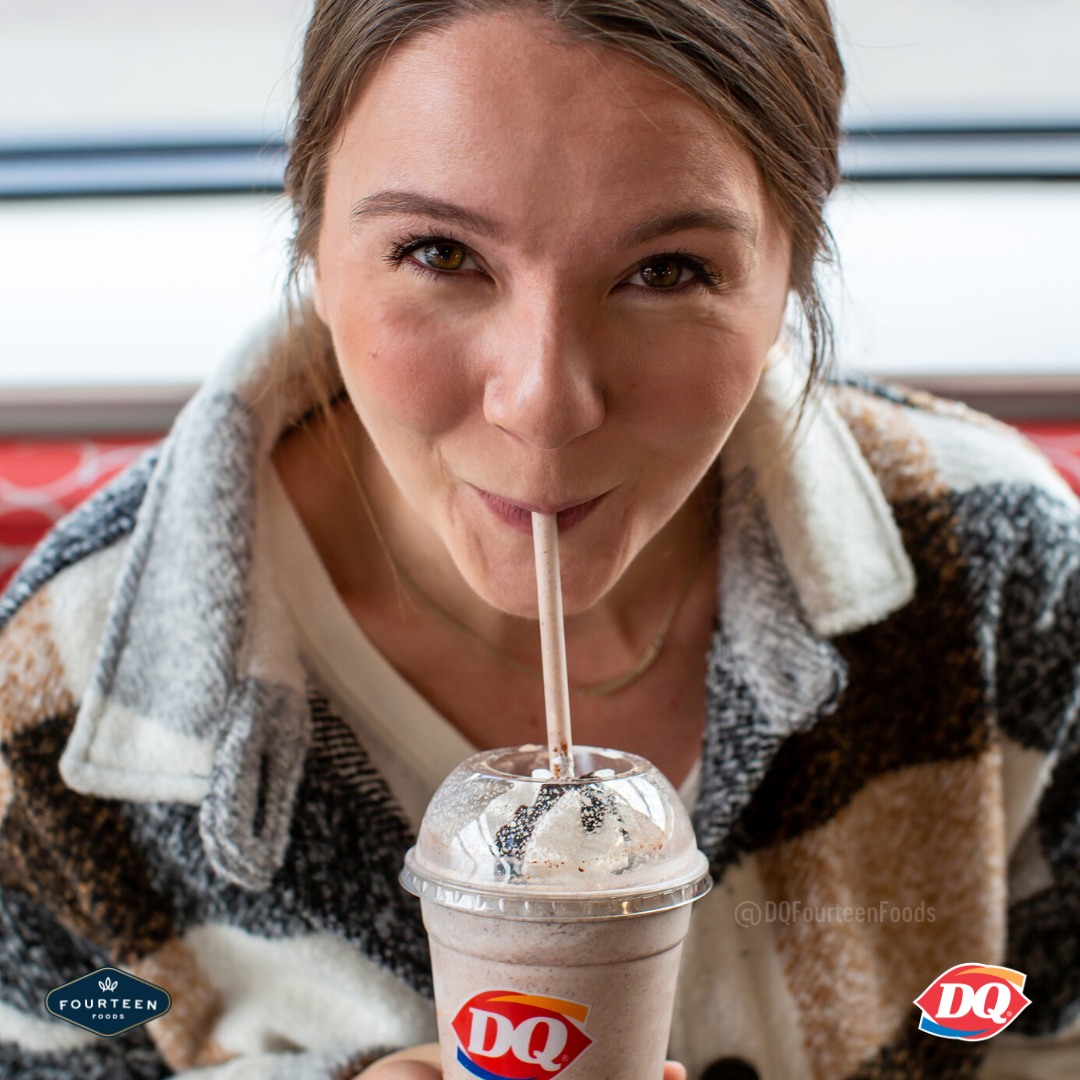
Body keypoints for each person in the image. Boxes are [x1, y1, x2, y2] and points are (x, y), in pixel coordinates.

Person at [1, 1, 1078, 1077]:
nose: (546, 405)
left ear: (790, 265)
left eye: (667, 270)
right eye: (439, 253)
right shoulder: (50, 688)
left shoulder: (1004, 576)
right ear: (314, 239)